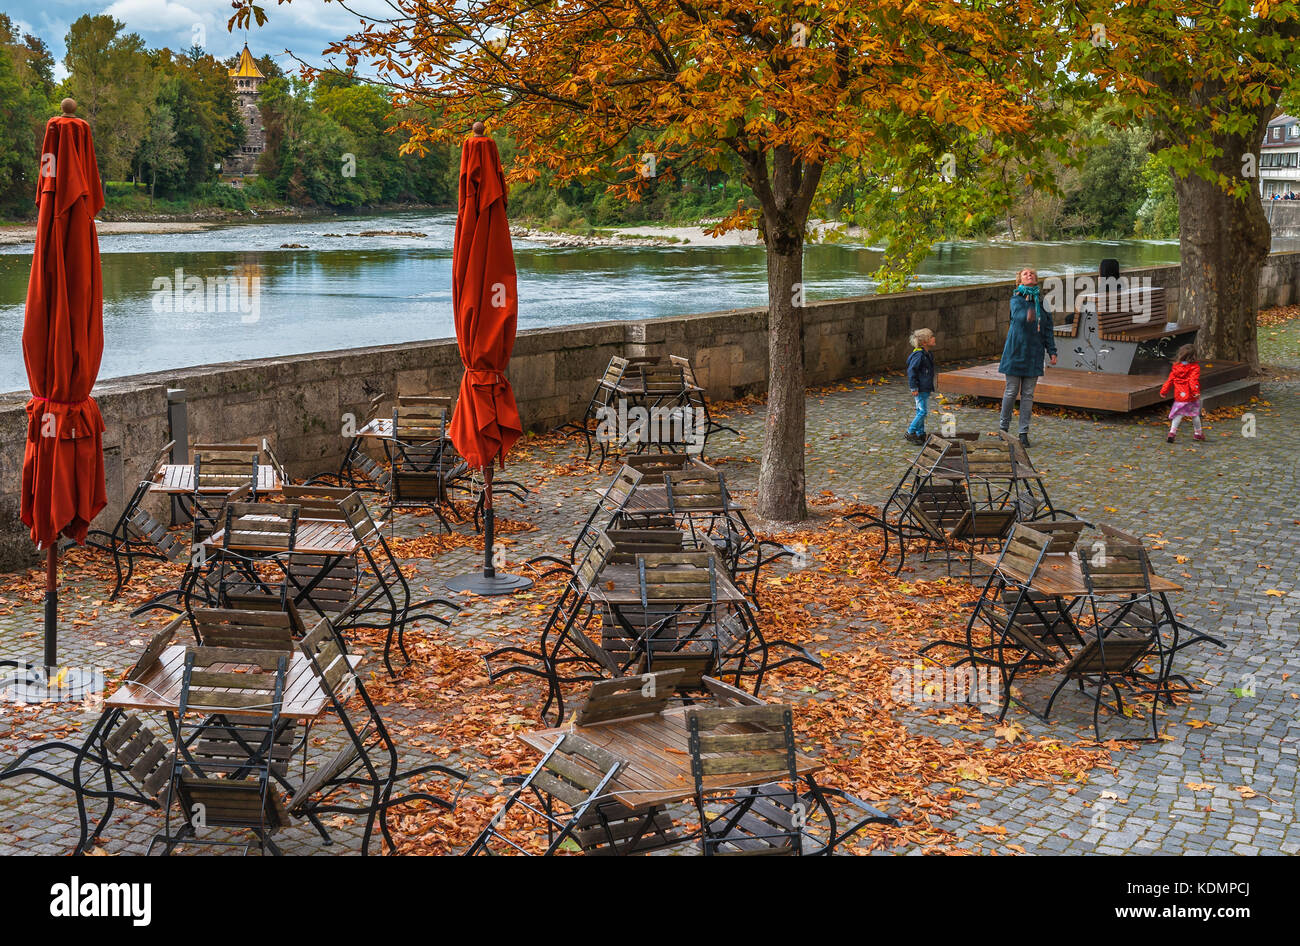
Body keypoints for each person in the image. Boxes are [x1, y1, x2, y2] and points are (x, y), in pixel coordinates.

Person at [998, 267, 1057, 447]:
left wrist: (1052, 351)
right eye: (1025, 274)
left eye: (1032, 273)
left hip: (1034, 353)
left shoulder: (1042, 303)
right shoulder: (1016, 299)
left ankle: (1023, 433)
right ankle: (1003, 429)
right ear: (1020, 281)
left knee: (1028, 395)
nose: (1029, 275)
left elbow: (1048, 329)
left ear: (1036, 279)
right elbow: (1017, 315)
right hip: (1016, 351)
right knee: (1011, 391)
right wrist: (1028, 315)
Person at [1161, 343, 1204, 443]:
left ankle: (1172, 432)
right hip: (1191, 397)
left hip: (1179, 396)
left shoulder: (1176, 367)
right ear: (1194, 356)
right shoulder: (1194, 367)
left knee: (1178, 415)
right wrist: (1196, 392)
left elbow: (1169, 380)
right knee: (1195, 415)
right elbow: (1193, 381)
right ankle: (1198, 433)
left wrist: (1163, 391)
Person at [905, 328, 936, 445]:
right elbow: (912, 371)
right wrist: (914, 387)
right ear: (924, 342)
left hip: (925, 387)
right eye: (931, 336)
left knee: (920, 411)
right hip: (920, 388)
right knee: (922, 412)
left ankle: (920, 434)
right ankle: (910, 431)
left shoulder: (927, 354)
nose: (934, 338)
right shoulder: (919, 355)